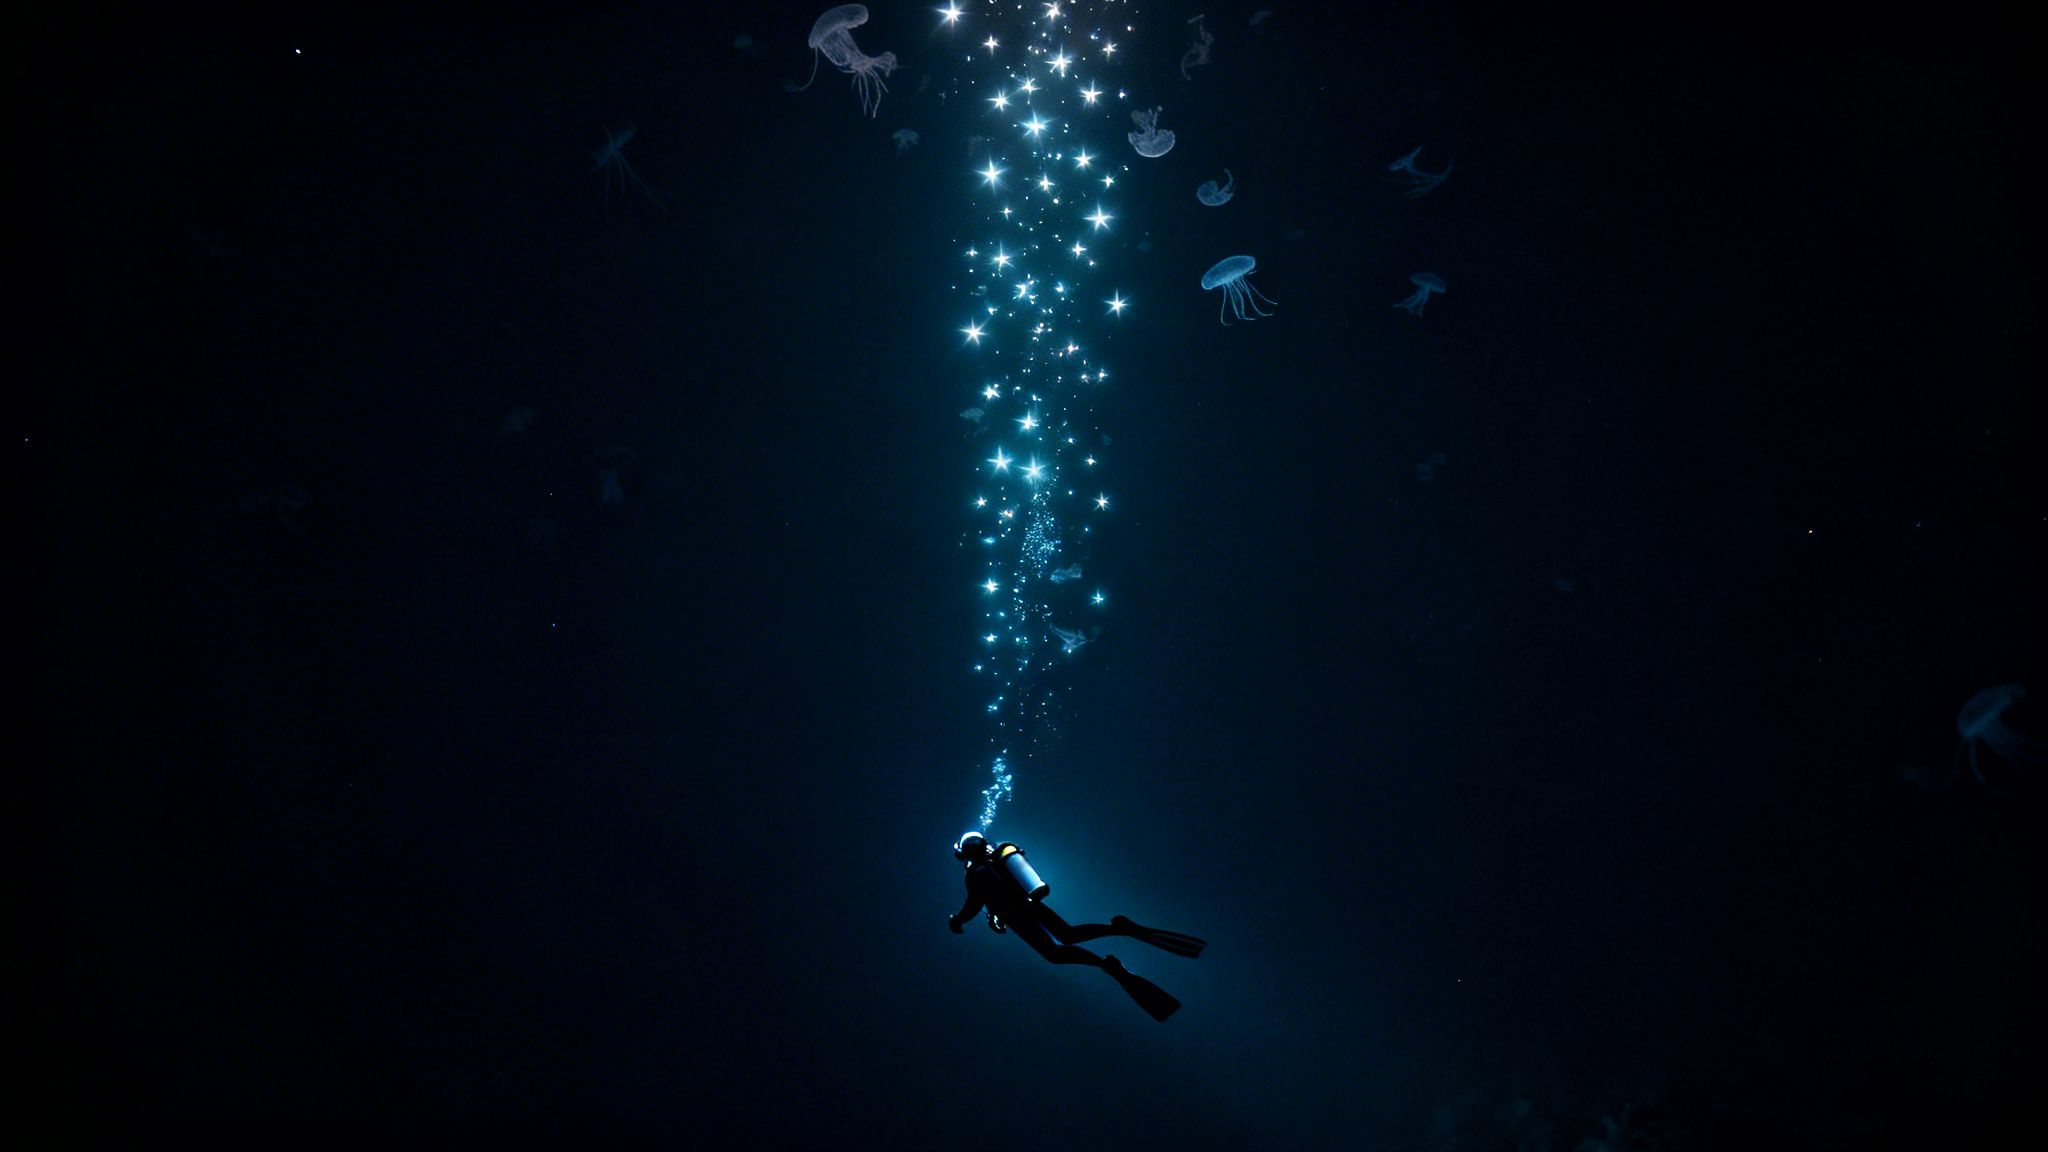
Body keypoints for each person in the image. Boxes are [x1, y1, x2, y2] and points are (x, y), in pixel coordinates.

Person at [945, 830, 1205, 1022]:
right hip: (1030, 904)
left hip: (1018, 916)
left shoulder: (975, 873)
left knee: (1054, 954)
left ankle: (1106, 964)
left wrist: (958, 920)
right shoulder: (995, 862)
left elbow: (974, 903)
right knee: (1069, 934)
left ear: (964, 853)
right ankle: (1119, 928)